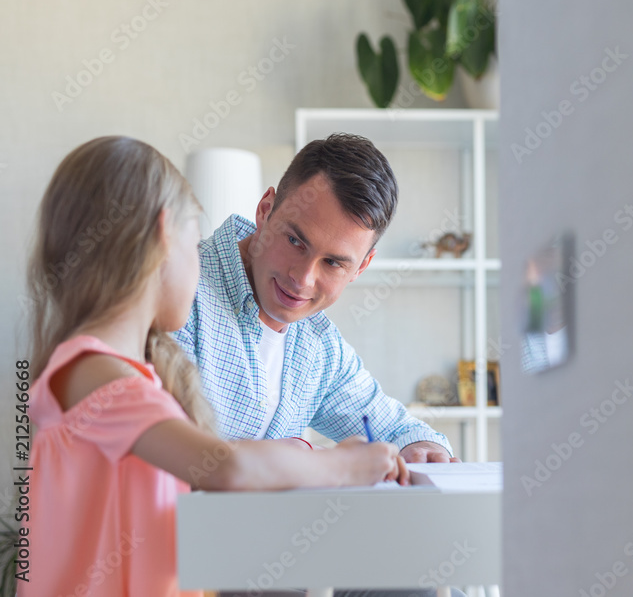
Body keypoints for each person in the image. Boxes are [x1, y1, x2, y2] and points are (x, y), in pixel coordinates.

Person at [24, 137, 407, 597]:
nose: (203, 257)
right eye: (194, 239)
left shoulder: (123, 376)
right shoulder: (94, 375)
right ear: (166, 239)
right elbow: (224, 467)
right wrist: (340, 465)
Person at [172, 133, 456, 463]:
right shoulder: (175, 288)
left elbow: (398, 430)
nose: (302, 279)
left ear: (361, 267)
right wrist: (308, 457)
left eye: (333, 263)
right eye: (295, 241)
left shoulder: (319, 347)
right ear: (265, 210)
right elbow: (158, 451)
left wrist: (423, 448)